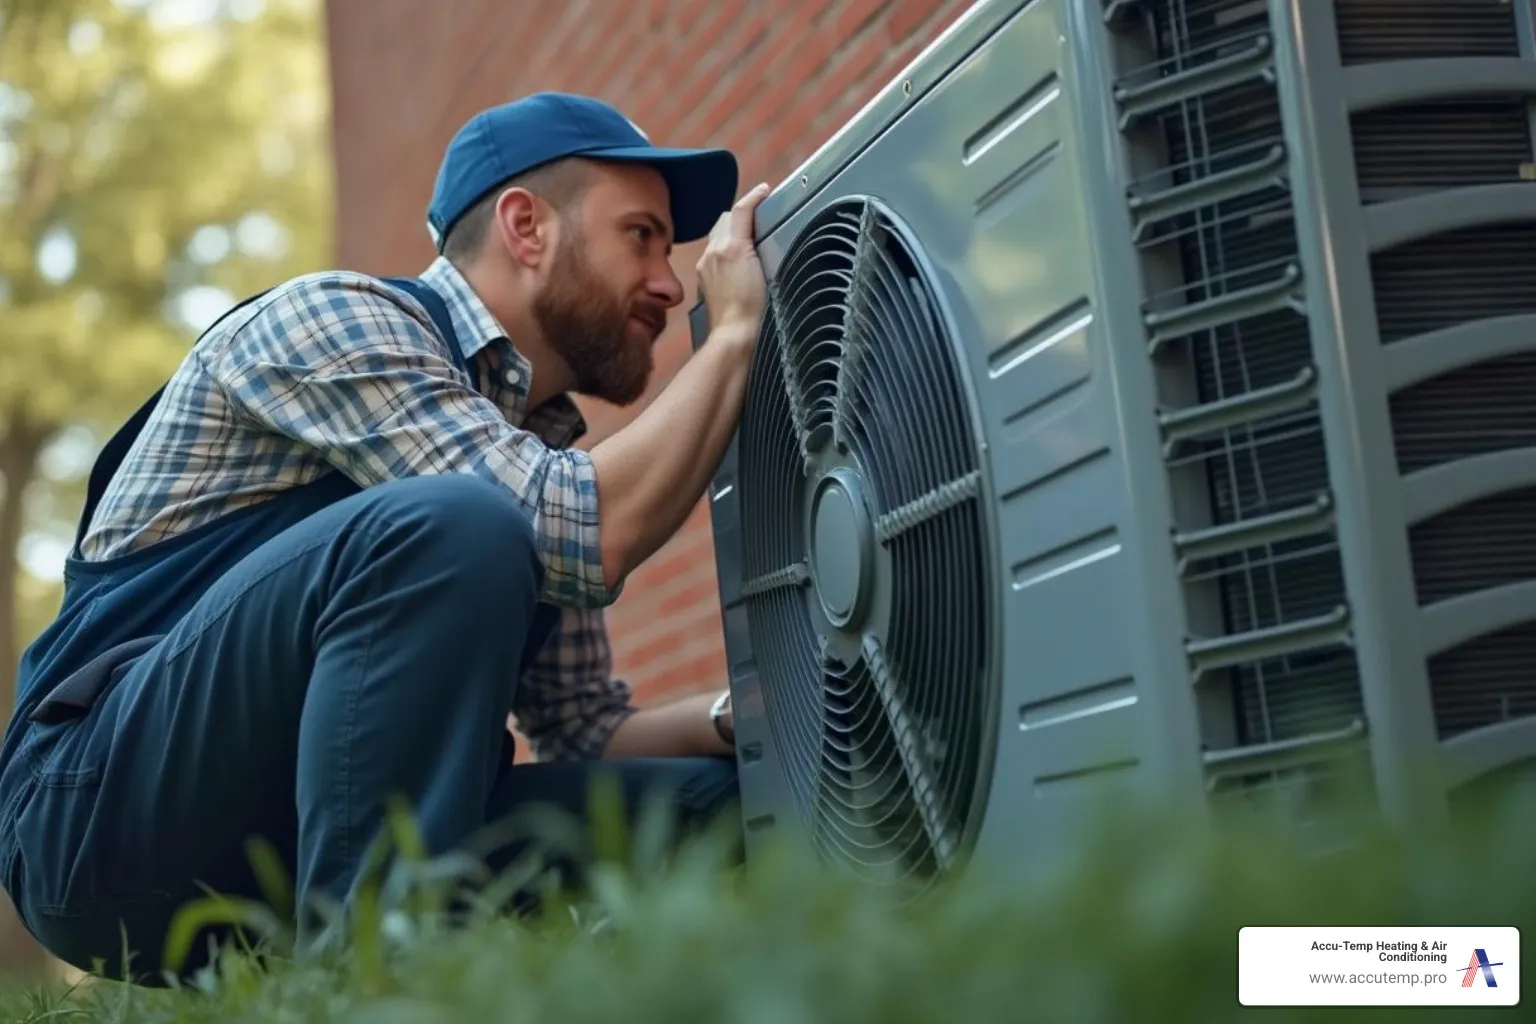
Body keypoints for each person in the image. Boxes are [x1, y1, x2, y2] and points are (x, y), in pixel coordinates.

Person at [0, 91, 772, 981]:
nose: (672, 284)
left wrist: (748, 718)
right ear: (527, 226)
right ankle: (380, 981)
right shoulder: (340, 320)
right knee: (458, 522)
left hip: (312, 836)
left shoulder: (530, 444)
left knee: (725, 806)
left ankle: (398, 936)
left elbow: (584, 731)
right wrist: (737, 333)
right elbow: (582, 531)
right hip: (101, 820)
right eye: (641, 235)